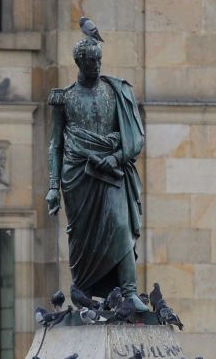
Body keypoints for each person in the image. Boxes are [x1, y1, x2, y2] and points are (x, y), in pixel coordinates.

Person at [46, 37, 148, 312]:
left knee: (120, 225)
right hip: (78, 175)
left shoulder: (117, 91)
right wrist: (53, 186)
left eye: (99, 60)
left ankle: (128, 293)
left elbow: (134, 135)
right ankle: (84, 292)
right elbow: (56, 144)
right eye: (91, 61)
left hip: (112, 171)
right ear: (79, 62)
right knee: (81, 238)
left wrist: (114, 157)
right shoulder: (63, 98)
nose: (96, 65)